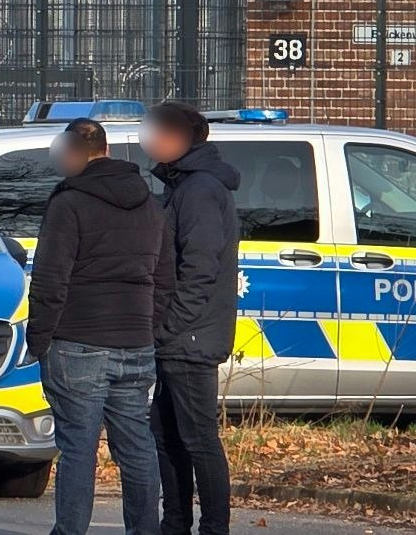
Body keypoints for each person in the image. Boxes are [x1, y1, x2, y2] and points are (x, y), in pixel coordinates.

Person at [26, 117, 174, 535]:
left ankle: (70, 530)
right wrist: (148, 327)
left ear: (73, 153)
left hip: (77, 341)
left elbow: (51, 279)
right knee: (137, 447)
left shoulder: (68, 203)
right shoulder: (150, 204)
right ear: (106, 150)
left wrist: (40, 338)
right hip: (135, 341)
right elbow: (164, 279)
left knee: (78, 448)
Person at [143, 100, 240, 535]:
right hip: (178, 337)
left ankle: (213, 527)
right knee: (166, 436)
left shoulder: (199, 190)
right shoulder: (181, 186)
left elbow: (200, 268)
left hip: (189, 339)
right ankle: (175, 523)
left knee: (198, 439)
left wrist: (170, 327)